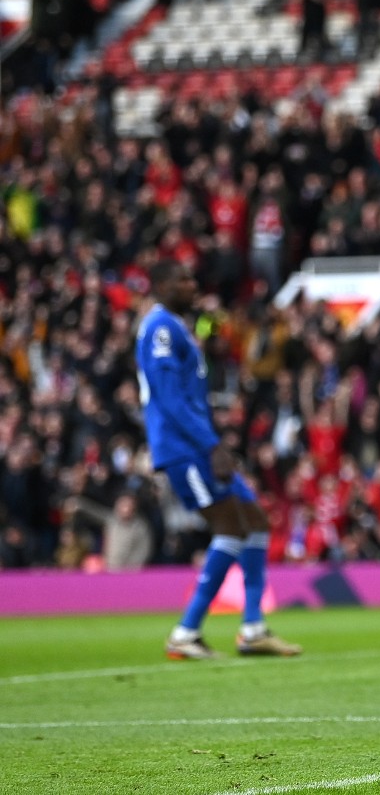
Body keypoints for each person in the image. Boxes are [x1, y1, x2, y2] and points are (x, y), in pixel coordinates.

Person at [136, 260, 301, 660]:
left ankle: (252, 628)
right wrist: (211, 445)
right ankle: (185, 632)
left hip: (198, 443)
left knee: (255, 522)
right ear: (161, 285)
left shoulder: (180, 328)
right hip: (184, 448)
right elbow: (169, 397)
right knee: (229, 527)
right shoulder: (161, 328)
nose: (192, 285)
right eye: (183, 279)